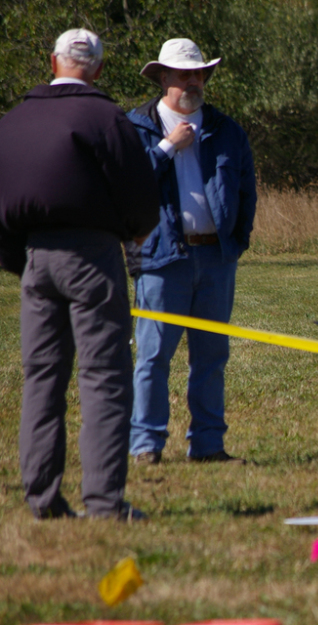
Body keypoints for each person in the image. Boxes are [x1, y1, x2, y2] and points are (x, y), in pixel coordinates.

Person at [0, 29, 159, 520]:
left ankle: (42, 498)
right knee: (103, 377)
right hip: (91, 256)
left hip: (35, 258)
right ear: (100, 69)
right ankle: (105, 502)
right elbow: (138, 190)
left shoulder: (14, 119)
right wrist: (135, 232)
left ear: (53, 61)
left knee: (42, 378)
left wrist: (18, 259)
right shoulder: (105, 115)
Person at [126, 38, 256, 465]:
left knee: (212, 356)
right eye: (184, 74)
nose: (193, 81)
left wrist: (235, 243)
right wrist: (169, 147)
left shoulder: (227, 130)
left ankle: (207, 445)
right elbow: (123, 181)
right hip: (162, 258)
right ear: (163, 78)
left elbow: (246, 191)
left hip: (216, 259)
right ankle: (146, 445)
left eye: (199, 73)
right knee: (153, 356)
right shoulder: (138, 127)